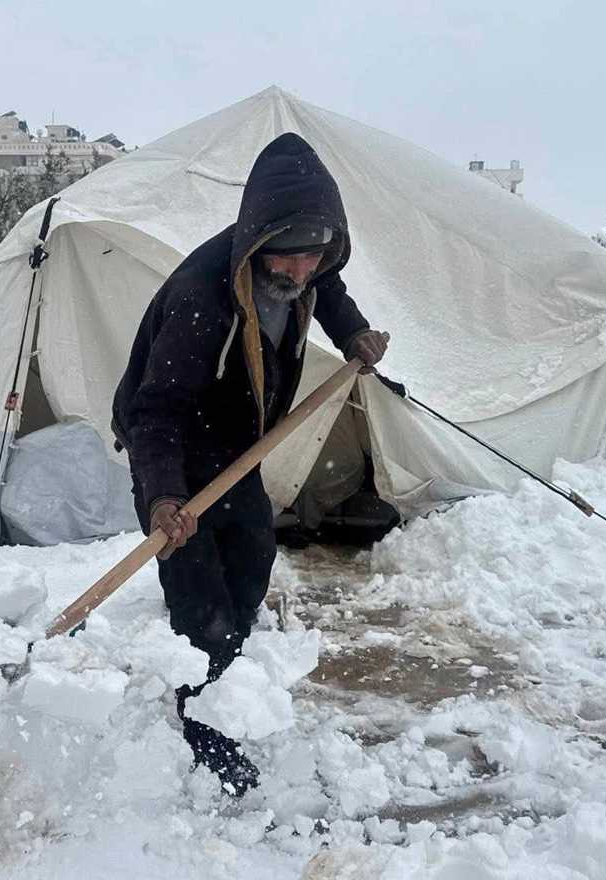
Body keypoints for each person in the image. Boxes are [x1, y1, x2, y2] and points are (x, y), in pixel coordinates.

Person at [111, 133, 389, 796]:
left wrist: (353, 332)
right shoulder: (200, 299)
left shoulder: (305, 266)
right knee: (200, 591)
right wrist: (163, 498)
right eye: (288, 258)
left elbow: (329, 286)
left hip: (238, 447)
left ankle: (228, 680)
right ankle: (204, 730)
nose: (300, 271)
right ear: (259, 240)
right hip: (176, 450)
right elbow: (157, 413)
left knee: (251, 560)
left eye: (313, 257)